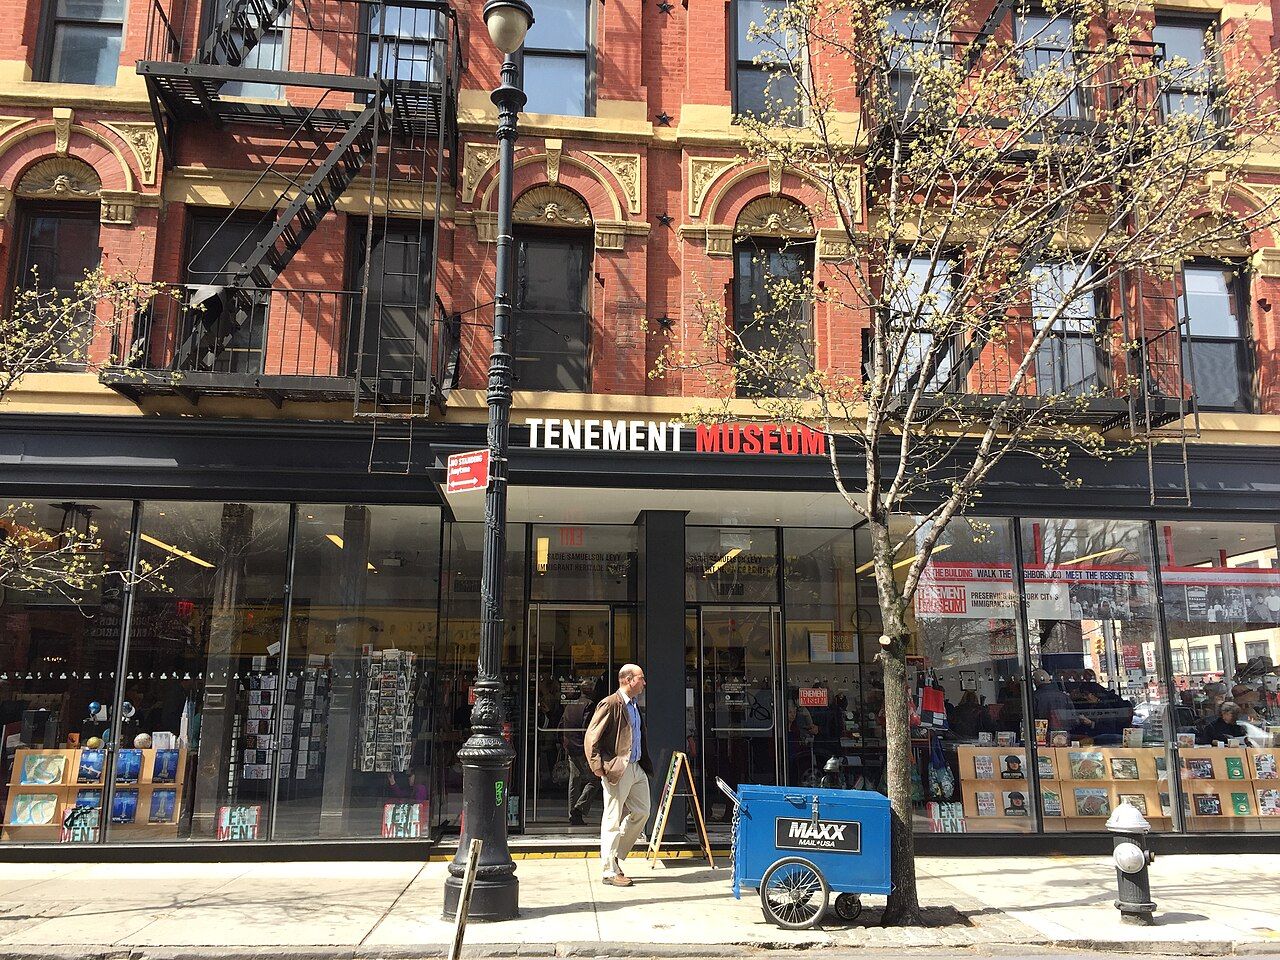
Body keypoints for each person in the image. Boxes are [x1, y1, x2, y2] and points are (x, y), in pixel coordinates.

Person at [584, 663, 653, 888]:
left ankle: (615, 854)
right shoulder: (611, 703)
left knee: (643, 811)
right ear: (627, 680)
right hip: (618, 768)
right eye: (640, 678)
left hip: (635, 767)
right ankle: (608, 871)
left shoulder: (634, 705)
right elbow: (592, 737)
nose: (644, 682)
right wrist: (598, 767)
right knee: (612, 818)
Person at [561, 679, 600, 825]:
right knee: (595, 779)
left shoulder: (570, 705)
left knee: (574, 780)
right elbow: (588, 727)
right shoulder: (589, 705)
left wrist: (563, 741)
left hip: (570, 746)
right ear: (590, 690)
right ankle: (579, 809)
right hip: (582, 748)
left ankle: (573, 814)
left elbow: (561, 723)